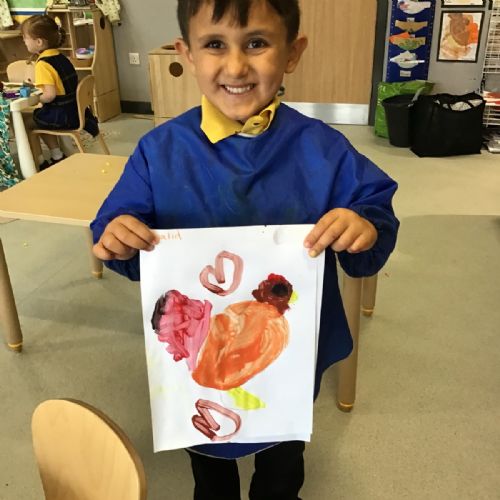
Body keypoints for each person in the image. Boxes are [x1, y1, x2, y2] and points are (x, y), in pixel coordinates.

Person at [91, 0, 399, 498]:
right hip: (198, 365)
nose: (235, 67)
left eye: (256, 43)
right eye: (215, 44)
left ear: (292, 53)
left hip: (287, 355)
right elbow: (118, 229)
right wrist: (118, 237)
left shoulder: (322, 149)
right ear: (187, 54)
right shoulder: (159, 151)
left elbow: (374, 211)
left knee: (282, 458)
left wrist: (363, 225)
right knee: (208, 463)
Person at [20, 15, 99, 171]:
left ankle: (41, 161)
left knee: (28, 122)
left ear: (39, 42)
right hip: (76, 112)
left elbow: (49, 96)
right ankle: (56, 155)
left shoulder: (42, 64)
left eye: (25, 38)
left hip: (62, 116)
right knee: (40, 118)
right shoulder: (61, 57)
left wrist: (36, 98)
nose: (24, 41)